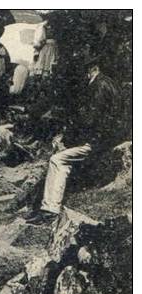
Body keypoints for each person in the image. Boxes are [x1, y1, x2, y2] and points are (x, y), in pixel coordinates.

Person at [26, 54, 123, 224]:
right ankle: (46, 207)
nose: (84, 75)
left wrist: (69, 139)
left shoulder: (98, 86)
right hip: (105, 137)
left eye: (86, 70)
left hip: (99, 141)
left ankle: (50, 209)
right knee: (60, 156)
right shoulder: (107, 83)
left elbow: (90, 120)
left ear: (94, 69)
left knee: (58, 160)